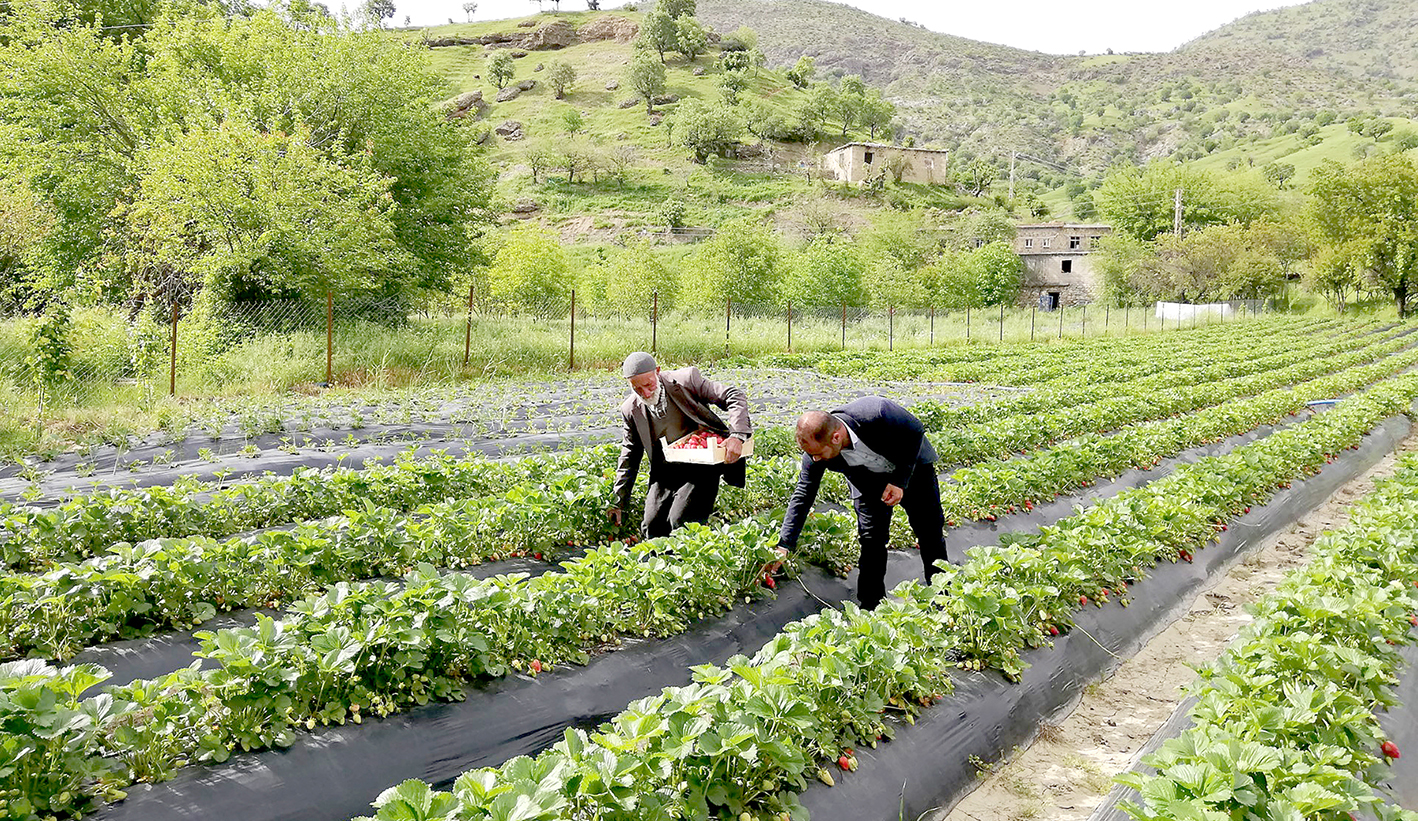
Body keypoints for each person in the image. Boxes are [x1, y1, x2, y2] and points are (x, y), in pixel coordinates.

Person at [773, 397, 948, 609]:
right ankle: (870, 607)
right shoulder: (815, 454)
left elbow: (915, 430)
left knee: (930, 531)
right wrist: (784, 544)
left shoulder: (876, 412)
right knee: (871, 540)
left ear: (836, 437)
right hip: (868, 482)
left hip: (912, 470)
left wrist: (899, 481)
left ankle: (943, 596)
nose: (815, 460)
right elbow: (803, 494)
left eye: (818, 454)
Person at [609, 352, 752, 538]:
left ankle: (690, 563)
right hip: (666, 470)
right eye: (637, 389)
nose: (645, 393)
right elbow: (630, 453)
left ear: (658, 372)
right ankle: (661, 565)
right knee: (652, 526)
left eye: (648, 384)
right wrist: (618, 501)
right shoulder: (631, 409)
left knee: (681, 521)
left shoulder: (686, 380)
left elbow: (734, 395)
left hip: (701, 465)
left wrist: (737, 435)